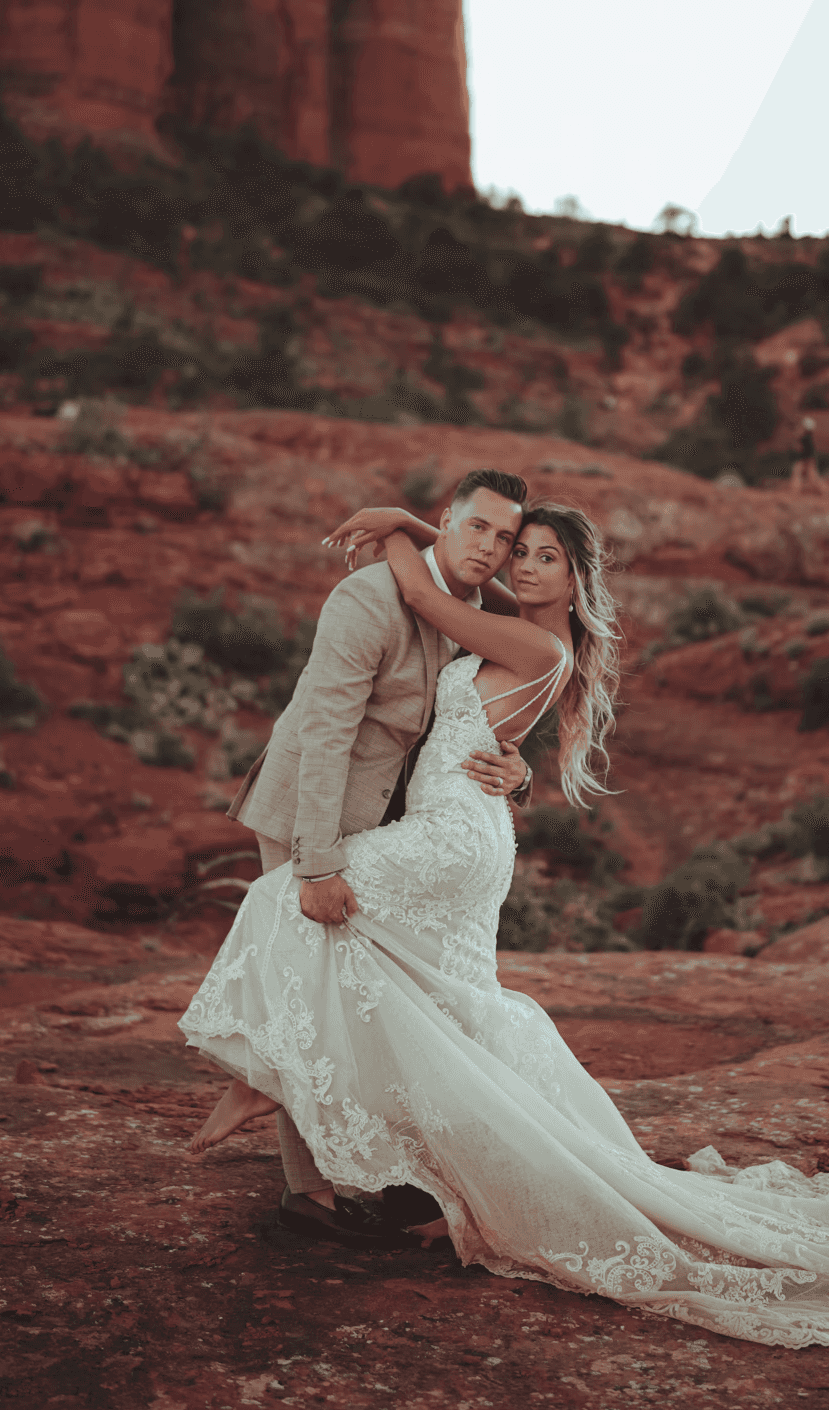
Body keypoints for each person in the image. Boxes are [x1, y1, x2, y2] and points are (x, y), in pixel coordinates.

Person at [179, 503, 829, 1349]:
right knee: (431, 997)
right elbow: (464, 601)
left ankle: (267, 1076)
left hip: (450, 838)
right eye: (518, 551)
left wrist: (399, 525)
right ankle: (392, 1155)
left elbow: (425, 591)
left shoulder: (535, 642)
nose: (520, 565)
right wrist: (506, 744)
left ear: (576, 579)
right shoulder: (525, 628)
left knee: (285, 899)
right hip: (464, 831)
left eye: (544, 557)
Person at [220, 467, 536, 1249]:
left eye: (505, 539)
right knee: (307, 981)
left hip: (398, 821)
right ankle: (309, 1194)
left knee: (388, 994)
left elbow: (533, 643)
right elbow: (325, 734)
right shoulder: (365, 600)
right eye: (476, 527)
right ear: (448, 519)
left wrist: (519, 772)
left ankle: (396, 1176)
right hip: (311, 810)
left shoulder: (470, 605)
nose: (489, 549)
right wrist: (317, 865)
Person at [790, 415, 829, 496]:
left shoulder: (806, 438)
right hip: (808, 459)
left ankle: (794, 492)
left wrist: (806, 461)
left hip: (806, 460)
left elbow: (803, 447)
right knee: (812, 477)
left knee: (799, 473)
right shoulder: (808, 437)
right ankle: (825, 491)